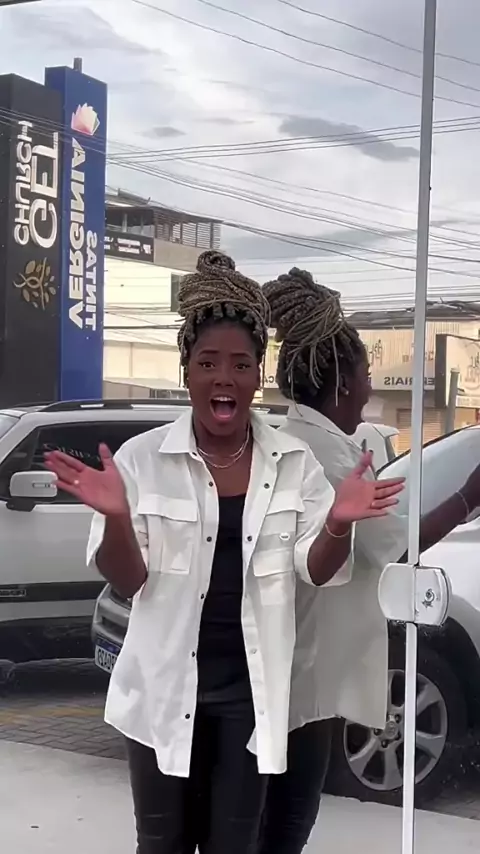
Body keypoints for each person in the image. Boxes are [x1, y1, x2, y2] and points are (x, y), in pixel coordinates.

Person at [45, 252, 403, 854]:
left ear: (257, 375)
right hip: (161, 694)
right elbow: (129, 580)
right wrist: (116, 517)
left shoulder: (294, 464)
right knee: (162, 843)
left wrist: (338, 523)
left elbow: (316, 571)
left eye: (240, 364)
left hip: (250, 699)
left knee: (235, 844)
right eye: (207, 362)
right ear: (186, 370)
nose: (224, 378)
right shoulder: (141, 460)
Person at [259, 267, 480, 854]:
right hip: (305, 674)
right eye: (363, 375)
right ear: (340, 384)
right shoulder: (327, 458)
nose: (369, 387)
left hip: (287, 666)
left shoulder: (296, 439)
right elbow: (398, 545)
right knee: (284, 827)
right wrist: (468, 497)